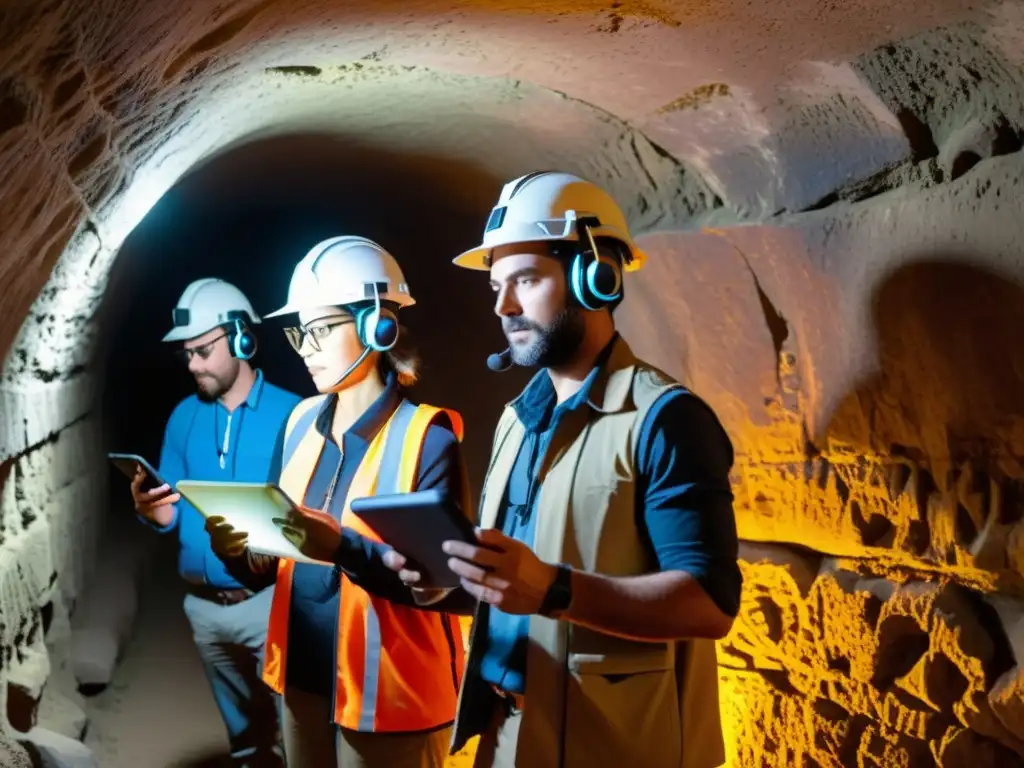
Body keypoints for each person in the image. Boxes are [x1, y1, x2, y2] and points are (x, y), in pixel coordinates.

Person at [384, 171, 744, 768]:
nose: (503, 306)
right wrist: (449, 582)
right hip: (506, 730)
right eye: (497, 286)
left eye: (525, 280)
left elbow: (709, 605)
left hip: (613, 746)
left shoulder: (666, 418)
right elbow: (517, 584)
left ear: (596, 278)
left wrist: (556, 589)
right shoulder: (515, 420)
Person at [203, 236, 470, 768]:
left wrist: (342, 549)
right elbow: (268, 569)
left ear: (378, 326)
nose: (305, 348)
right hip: (303, 683)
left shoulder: (426, 438)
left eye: (320, 330)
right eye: (298, 333)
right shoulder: (300, 422)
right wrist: (235, 548)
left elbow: (451, 588)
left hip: (393, 701)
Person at [131, 278, 300, 768]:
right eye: (186, 354)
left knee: (296, 736)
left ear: (242, 338)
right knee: (244, 739)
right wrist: (150, 510)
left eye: (203, 350)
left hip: (269, 605)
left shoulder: (294, 414)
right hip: (204, 610)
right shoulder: (184, 416)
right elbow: (169, 509)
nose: (193, 364)